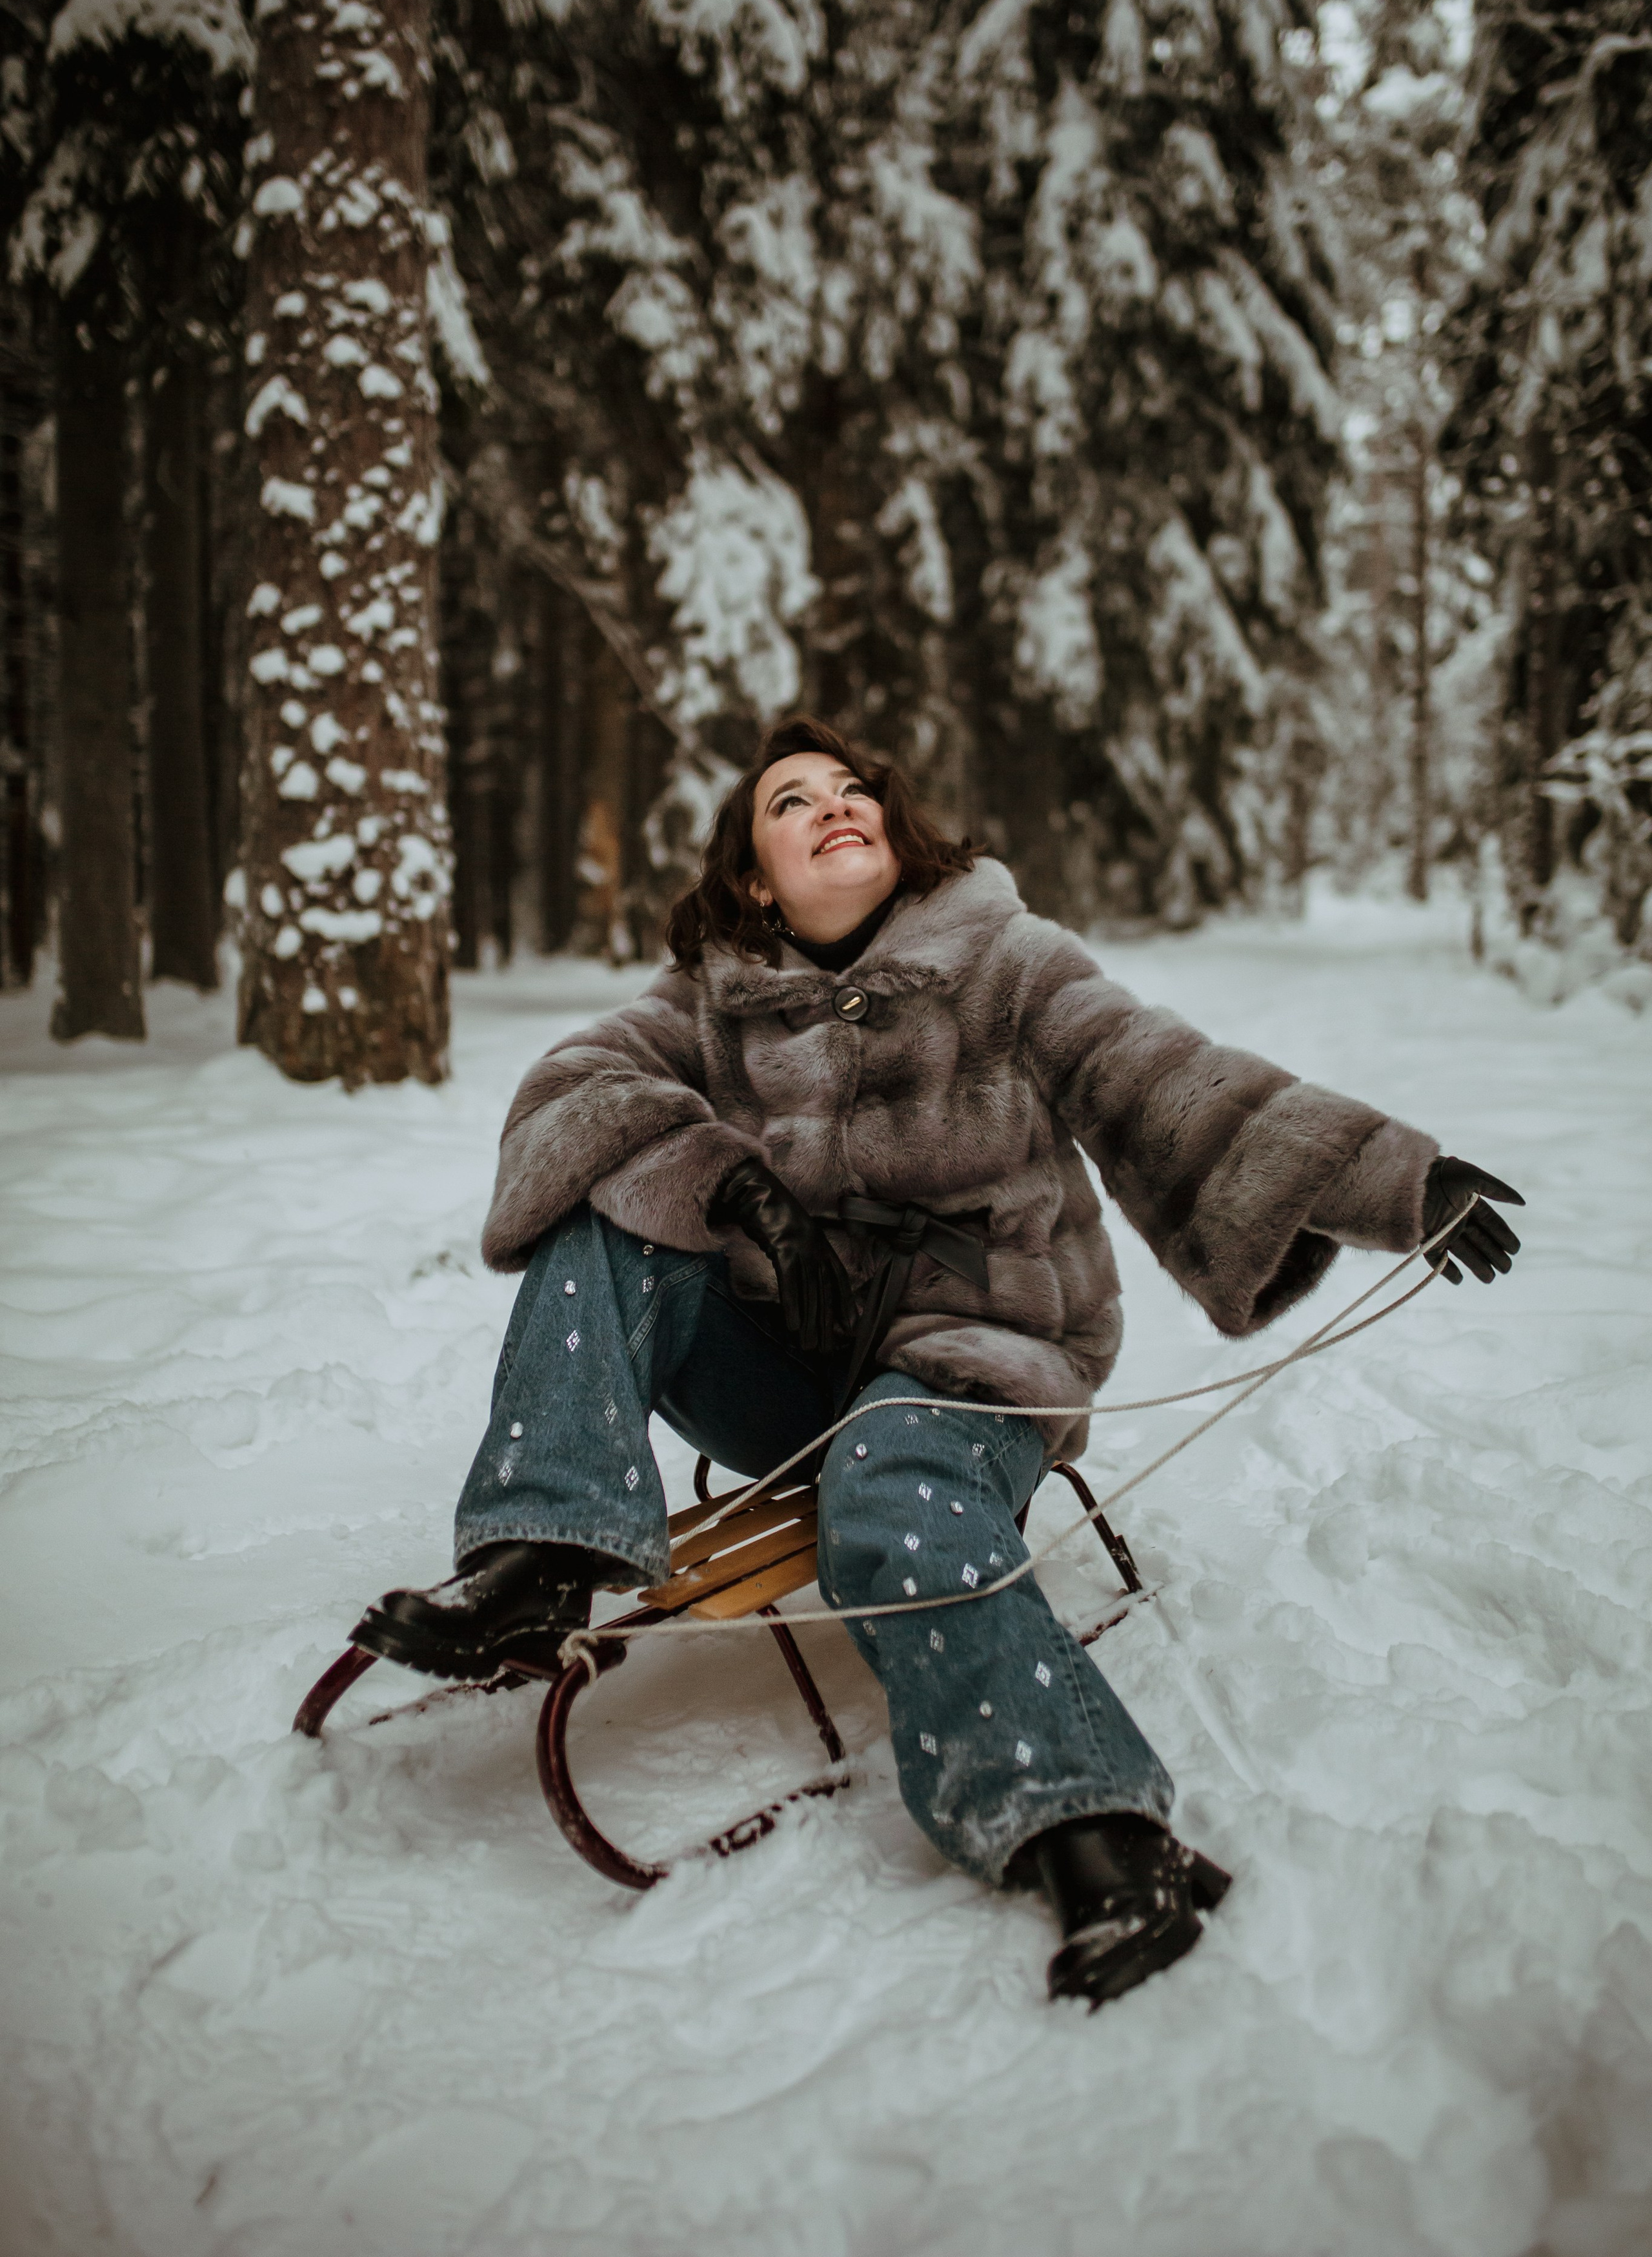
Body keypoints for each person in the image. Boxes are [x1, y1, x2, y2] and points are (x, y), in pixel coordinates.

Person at [353, 716, 1523, 2007]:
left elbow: (1169, 1082)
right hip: (789, 1365)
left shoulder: (1004, 960)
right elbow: (570, 1089)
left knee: (894, 1480)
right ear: (755, 878)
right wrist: (736, 1191)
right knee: (604, 1198)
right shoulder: (710, 998)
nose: (834, 805)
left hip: (970, 1353)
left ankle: (1088, 1825)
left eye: (852, 789)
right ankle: (542, 1555)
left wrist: (1395, 1180)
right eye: (790, 802)